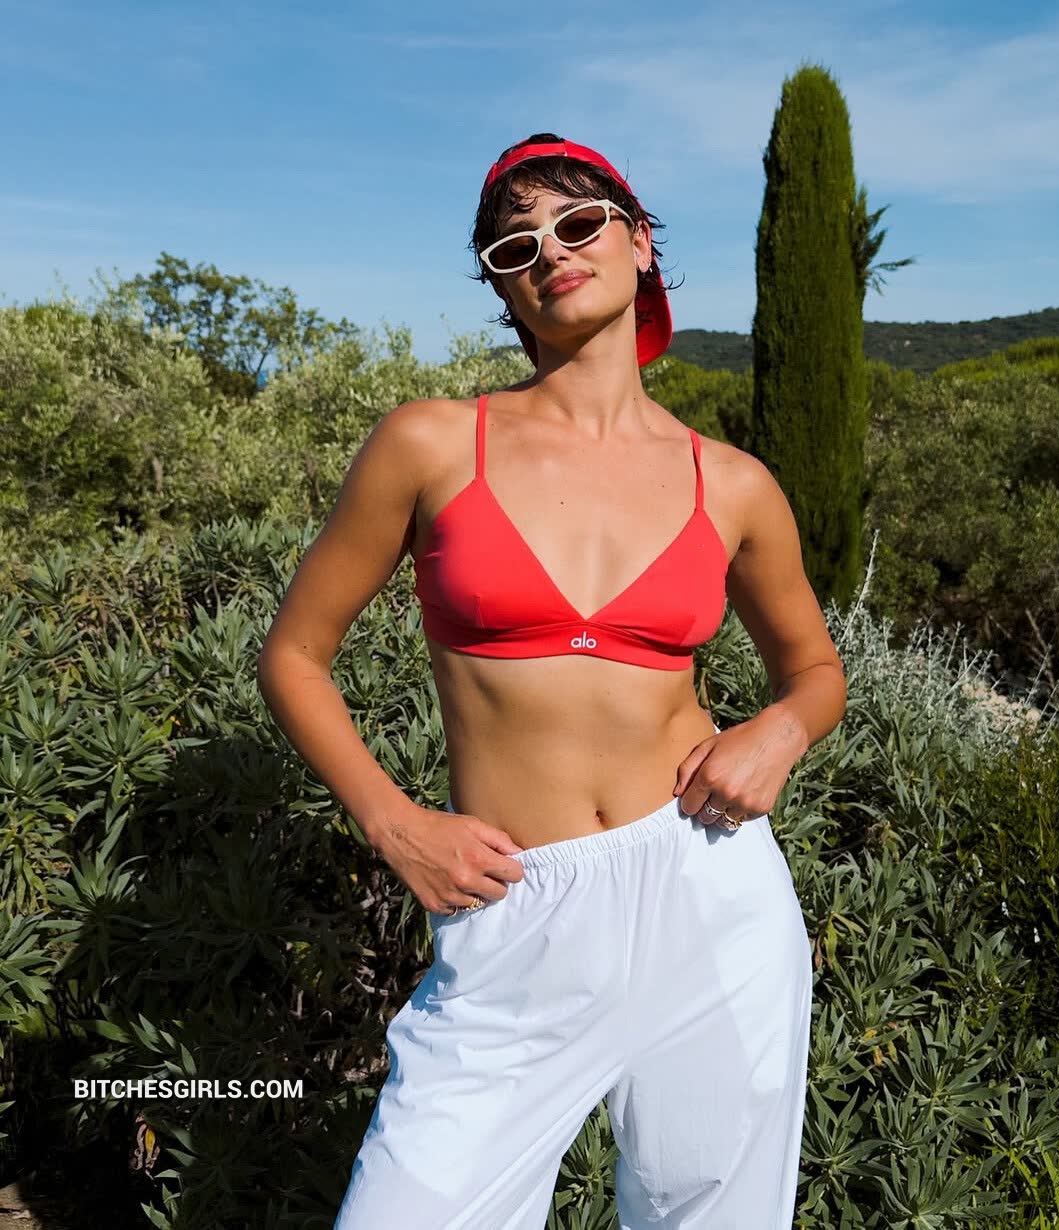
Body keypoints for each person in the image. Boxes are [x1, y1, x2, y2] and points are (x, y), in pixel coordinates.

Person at [257, 133, 847, 1229]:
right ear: (501, 289)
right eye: (514, 246)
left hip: (710, 889)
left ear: (640, 241)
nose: (551, 252)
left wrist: (779, 732)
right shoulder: (430, 444)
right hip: (516, 910)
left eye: (577, 223)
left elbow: (814, 669)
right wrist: (393, 824)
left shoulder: (733, 483)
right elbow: (293, 654)